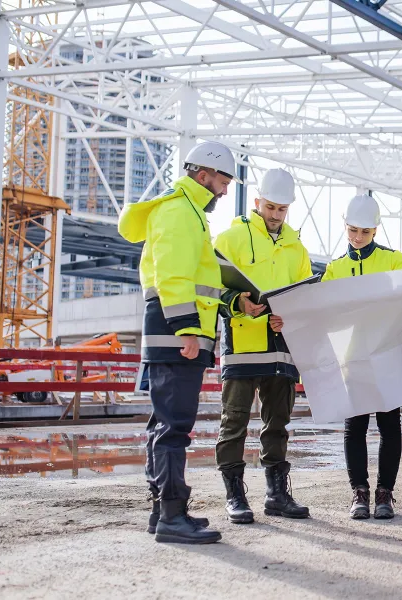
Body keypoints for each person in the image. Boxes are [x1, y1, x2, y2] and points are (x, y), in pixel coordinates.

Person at [118, 140, 237, 544]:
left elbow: (201, 279)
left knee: (164, 424)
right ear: (203, 175)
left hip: (175, 331)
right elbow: (172, 275)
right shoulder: (178, 211)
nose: (224, 191)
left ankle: (164, 511)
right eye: (222, 181)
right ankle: (171, 517)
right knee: (174, 427)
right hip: (176, 333)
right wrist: (187, 329)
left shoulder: (187, 212)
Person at [213, 168, 312, 523]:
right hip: (242, 343)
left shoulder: (296, 248)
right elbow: (210, 286)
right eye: (270, 207)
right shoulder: (231, 238)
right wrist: (237, 302)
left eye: (282, 209)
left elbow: (305, 297)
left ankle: (277, 495)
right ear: (257, 202)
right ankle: (235, 495)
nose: (275, 215)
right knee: (234, 420)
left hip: (281, 345)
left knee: (278, 423)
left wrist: (293, 316)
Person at [321, 194, 402, 520]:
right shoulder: (335, 269)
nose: (358, 237)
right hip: (354, 359)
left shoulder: (394, 261)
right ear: (345, 226)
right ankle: (359, 493)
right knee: (355, 427)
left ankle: (384, 494)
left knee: (390, 426)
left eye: (365, 232)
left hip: (388, 356)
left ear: (376, 230)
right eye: (353, 230)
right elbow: (323, 314)